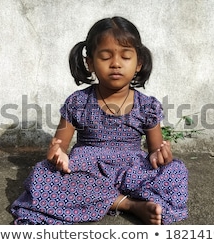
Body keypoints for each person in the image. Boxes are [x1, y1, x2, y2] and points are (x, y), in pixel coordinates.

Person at [10, 16, 188, 225]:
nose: (115, 64)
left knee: (176, 171)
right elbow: (61, 148)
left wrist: (161, 155)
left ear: (138, 63)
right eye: (105, 57)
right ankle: (129, 204)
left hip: (131, 168)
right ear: (90, 63)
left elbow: (155, 153)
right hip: (88, 168)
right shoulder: (78, 101)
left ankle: (104, 199)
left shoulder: (147, 106)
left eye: (125, 57)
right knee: (42, 175)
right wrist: (57, 156)